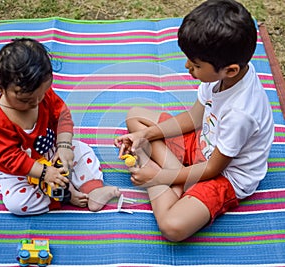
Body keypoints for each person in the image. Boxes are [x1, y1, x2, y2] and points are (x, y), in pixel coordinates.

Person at [114, 0, 274, 241]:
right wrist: (145, 135)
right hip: (204, 143)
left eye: (196, 65)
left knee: (172, 227)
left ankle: (168, 178)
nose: (187, 66)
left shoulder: (241, 113)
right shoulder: (219, 77)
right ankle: (178, 177)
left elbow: (213, 168)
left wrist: (157, 179)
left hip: (225, 174)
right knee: (135, 116)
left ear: (229, 70)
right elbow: (194, 118)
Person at [0, 38, 120, 215]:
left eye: (40, 96)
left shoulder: (42, 95)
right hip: (19, 171)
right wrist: (44, 173)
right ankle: (63, 195)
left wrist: (63, 147)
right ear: (0, 88)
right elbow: (10, 158)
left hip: (50, 152)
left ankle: (93, 189)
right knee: (16, 204)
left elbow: (62, 115)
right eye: (25, 100)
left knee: (83, 150)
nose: (35, 104)